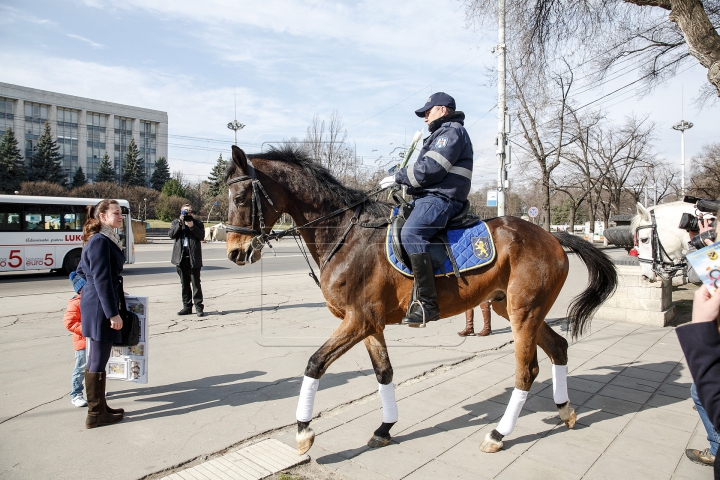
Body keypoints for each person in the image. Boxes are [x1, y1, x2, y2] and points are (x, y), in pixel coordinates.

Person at [379, 92, 473, 327]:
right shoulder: (440, 133)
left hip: (443, 198)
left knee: (412, 233)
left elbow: (431, 168)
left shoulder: (451, 131)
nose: (424, 118)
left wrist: (399, 176)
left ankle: (427, 305)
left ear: (442, 110)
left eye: (427, 112)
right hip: (428, 197)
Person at [78, 199, 125, 428]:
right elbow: (102, 280)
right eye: (115, 213)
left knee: (99, 357)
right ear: (103, 217)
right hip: (99, 307)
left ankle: (100, 406)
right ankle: (95, 414)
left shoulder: (104, 239)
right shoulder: (99, 241)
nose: (120, 216)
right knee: (97, 358)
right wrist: (112, 314)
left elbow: (83, 274)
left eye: (120, 213)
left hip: (96, 304)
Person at [169, 203, 205, 317]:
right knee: (184, 284)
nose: (187, 213)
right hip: (180, 258)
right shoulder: (176, 223)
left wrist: (191, 226)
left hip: (193, 259)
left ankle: (199, 308)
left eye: (189, 211)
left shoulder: (198, 223)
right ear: (181, 212)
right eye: (185, 211)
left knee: (196, 284)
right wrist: (180, 224)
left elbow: (201, 237)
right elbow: (171, 235)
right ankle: (187, 307)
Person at [64, 271, 87, 407]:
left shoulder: (93, 300)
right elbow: (69, 323)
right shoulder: (75, 303)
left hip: (94, 340)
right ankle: (76, 394)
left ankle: (94, 388)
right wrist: (86, 330)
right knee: (80, 368)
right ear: (80, 289)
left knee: (95, 367)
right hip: (82, 342)